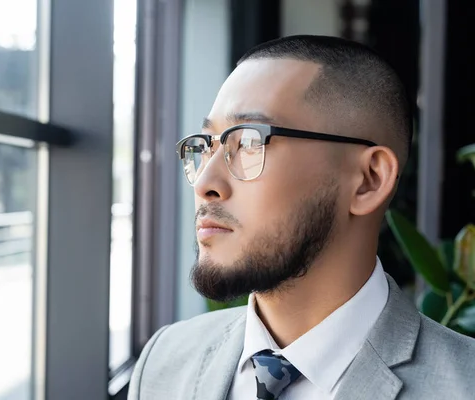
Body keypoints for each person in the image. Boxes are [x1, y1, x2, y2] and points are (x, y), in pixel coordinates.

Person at [128, 35, 475, 400]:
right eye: (207, 145)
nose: (204, 182)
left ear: (368, 181)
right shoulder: (165, 361)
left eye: (248, 142)